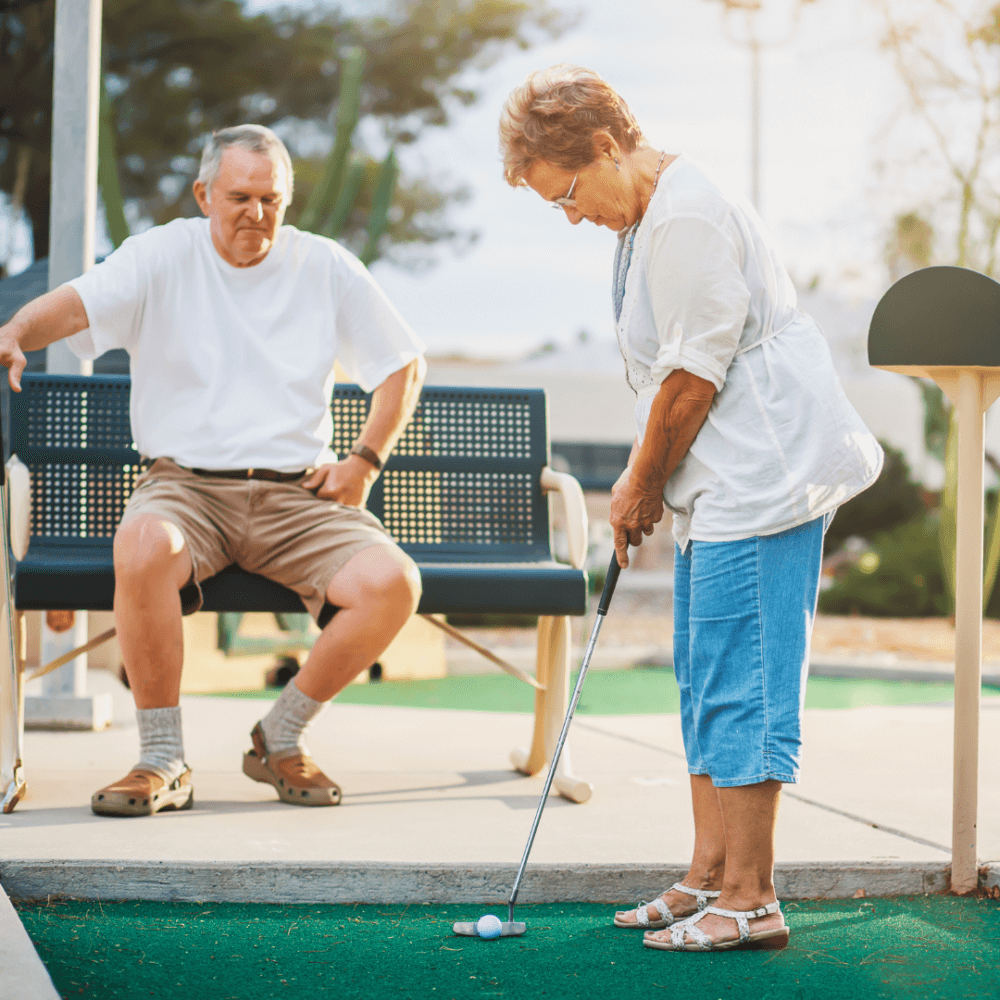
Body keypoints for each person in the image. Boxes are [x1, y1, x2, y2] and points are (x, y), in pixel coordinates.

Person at [499, 66, 882, 952]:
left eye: (565, 194)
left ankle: (751, 897)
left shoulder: (688, 215)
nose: (569, 214)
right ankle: (708, 873)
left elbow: (691, 378)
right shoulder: (644, 220)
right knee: (707, 683)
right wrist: (658, 485)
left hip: (762, 480)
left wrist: (635, 485)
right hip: (721, 488)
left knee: (745, 685)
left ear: (603, 147)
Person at [0, 124, 426, 817]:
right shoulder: (162, 254)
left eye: (271, 199)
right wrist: (17, 331)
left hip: (298, 494)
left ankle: (280, 737)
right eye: (239, 197)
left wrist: (364, 461)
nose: (256, 214)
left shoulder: (325, 265)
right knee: (141, 544)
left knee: (392, 583)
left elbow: (403, 366)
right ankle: (162, 760)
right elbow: (80, 302)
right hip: (184, 488)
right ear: (204, 194)